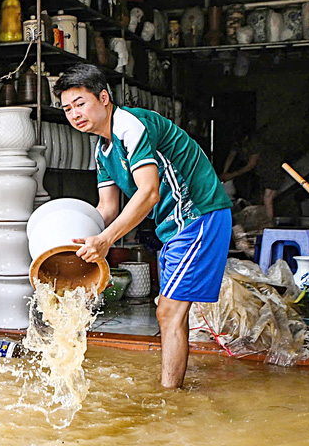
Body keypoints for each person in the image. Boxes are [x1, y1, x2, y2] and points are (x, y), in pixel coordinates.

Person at [53, 64, 232, 389]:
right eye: (67, 109)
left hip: (200, 214)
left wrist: (106, 240)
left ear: (104, 97)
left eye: (80, 103)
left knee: (168, 311)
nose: (74, 114)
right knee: (170, 311)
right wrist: (70, 245)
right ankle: (172, 389)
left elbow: (149, 193)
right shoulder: (103, 149)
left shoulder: (130, 125)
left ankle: (170, 398)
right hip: (176, 227)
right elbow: (106, 208)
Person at [219, 124, 283, 221]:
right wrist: (225, 173)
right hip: (261, 172)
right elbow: (231, 156)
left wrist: (231, 175)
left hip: (272, 169)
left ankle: (269, 224)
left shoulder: (255, 143)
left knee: (267, 198)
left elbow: (250, 165)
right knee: (262, 198)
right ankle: (264, 220)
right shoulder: (238, 142)